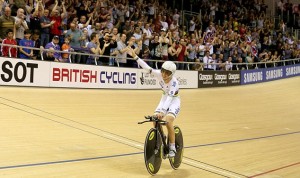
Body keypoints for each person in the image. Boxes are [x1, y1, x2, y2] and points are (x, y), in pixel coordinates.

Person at [128, 48, 180, 158]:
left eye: (167, 73)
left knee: (168, 121)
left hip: (174, 101)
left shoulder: (174, 82)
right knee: (155, 120)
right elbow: (147, 68)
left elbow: (170, 99)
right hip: (164, 98)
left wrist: (163, 112)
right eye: (163, 71)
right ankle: (162, 139)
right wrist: (135, 57)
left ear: (172, 74)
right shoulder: (159, 74)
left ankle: (172, 147)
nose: (164, 74)